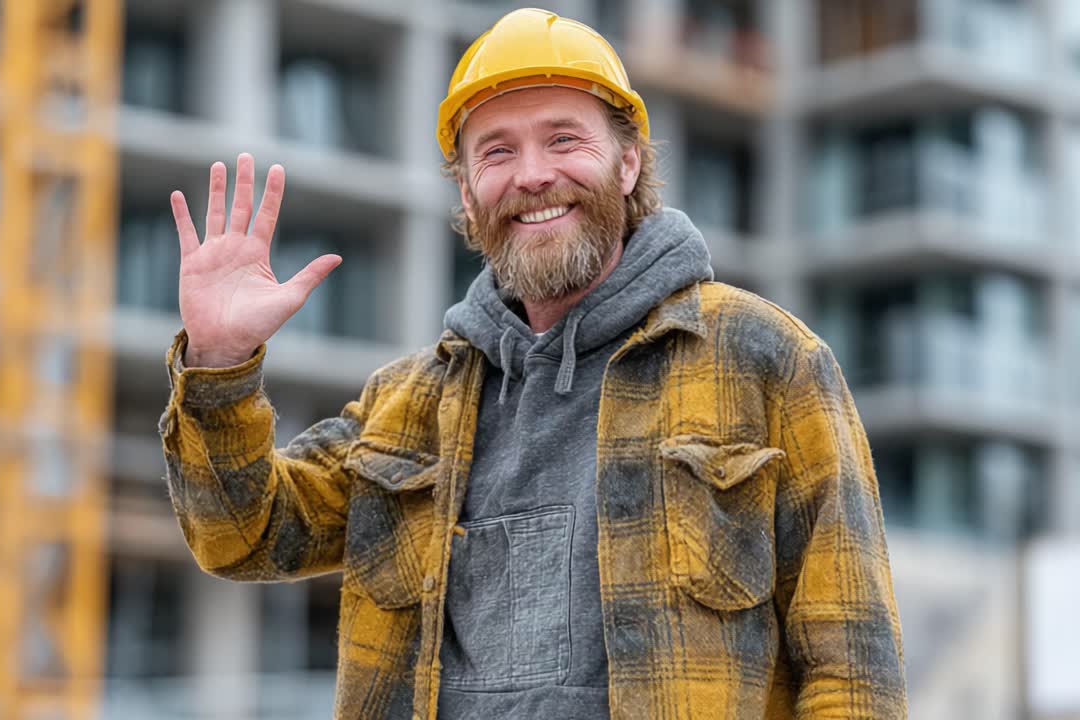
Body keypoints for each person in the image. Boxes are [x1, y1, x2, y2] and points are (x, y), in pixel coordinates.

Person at [159, 8, 906, 719]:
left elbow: (853, 666)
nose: (533, 175)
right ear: (466, 190)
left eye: (564, 140)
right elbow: (242, 535)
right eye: (497, 151)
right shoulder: (407, 408)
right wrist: (221, 363)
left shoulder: (767, 359)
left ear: (627, 164)